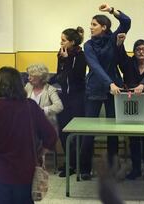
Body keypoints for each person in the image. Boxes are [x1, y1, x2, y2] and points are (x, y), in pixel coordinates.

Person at [0, 66, 57, 204]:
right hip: (25, 174)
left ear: (0, 84)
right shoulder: (30, 106)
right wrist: (38, 154)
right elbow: (51, 136)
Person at [80, 3, 131, 180]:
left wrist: (111, 10)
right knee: (88, 131)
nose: (90, 27)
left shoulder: (112, 39)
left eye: (94, 24)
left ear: (104, 27)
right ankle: (84, 168)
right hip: (95, 88)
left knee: (112, 130)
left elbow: (126, 21)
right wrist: (109, 82)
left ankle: (112, 167)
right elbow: (95, 66)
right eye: (91, 24)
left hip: (113, 90)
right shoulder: (88, 46)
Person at [116, 33, 144, 181]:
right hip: (131, 106)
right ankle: (136, 169)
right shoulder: (128, 63)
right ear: (134, 52)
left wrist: (142, 85)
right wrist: (120, 44)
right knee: (134, 139)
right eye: (138, 49)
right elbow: (121, 58)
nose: (141, 52)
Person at [53, 27, 87, 177]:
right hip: (64, 97)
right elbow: (60, 76)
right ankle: (69, 161)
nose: (61, 42)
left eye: (64, 40)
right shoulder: (61, 55)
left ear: (72, 42)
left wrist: (67, 61)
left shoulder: (81, 56)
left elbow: (76, 77)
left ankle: (76, 164)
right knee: (63, 131)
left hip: (78, 97)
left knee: (76, 132)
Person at [25, 63, 63, 130]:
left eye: (31, 76)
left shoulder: (50, 89)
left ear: (40, 77)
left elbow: (59, 106)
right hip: (29, 126)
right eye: (28, 75)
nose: (29, 78)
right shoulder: (28, 87)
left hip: (47, 126)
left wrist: (42, 110)